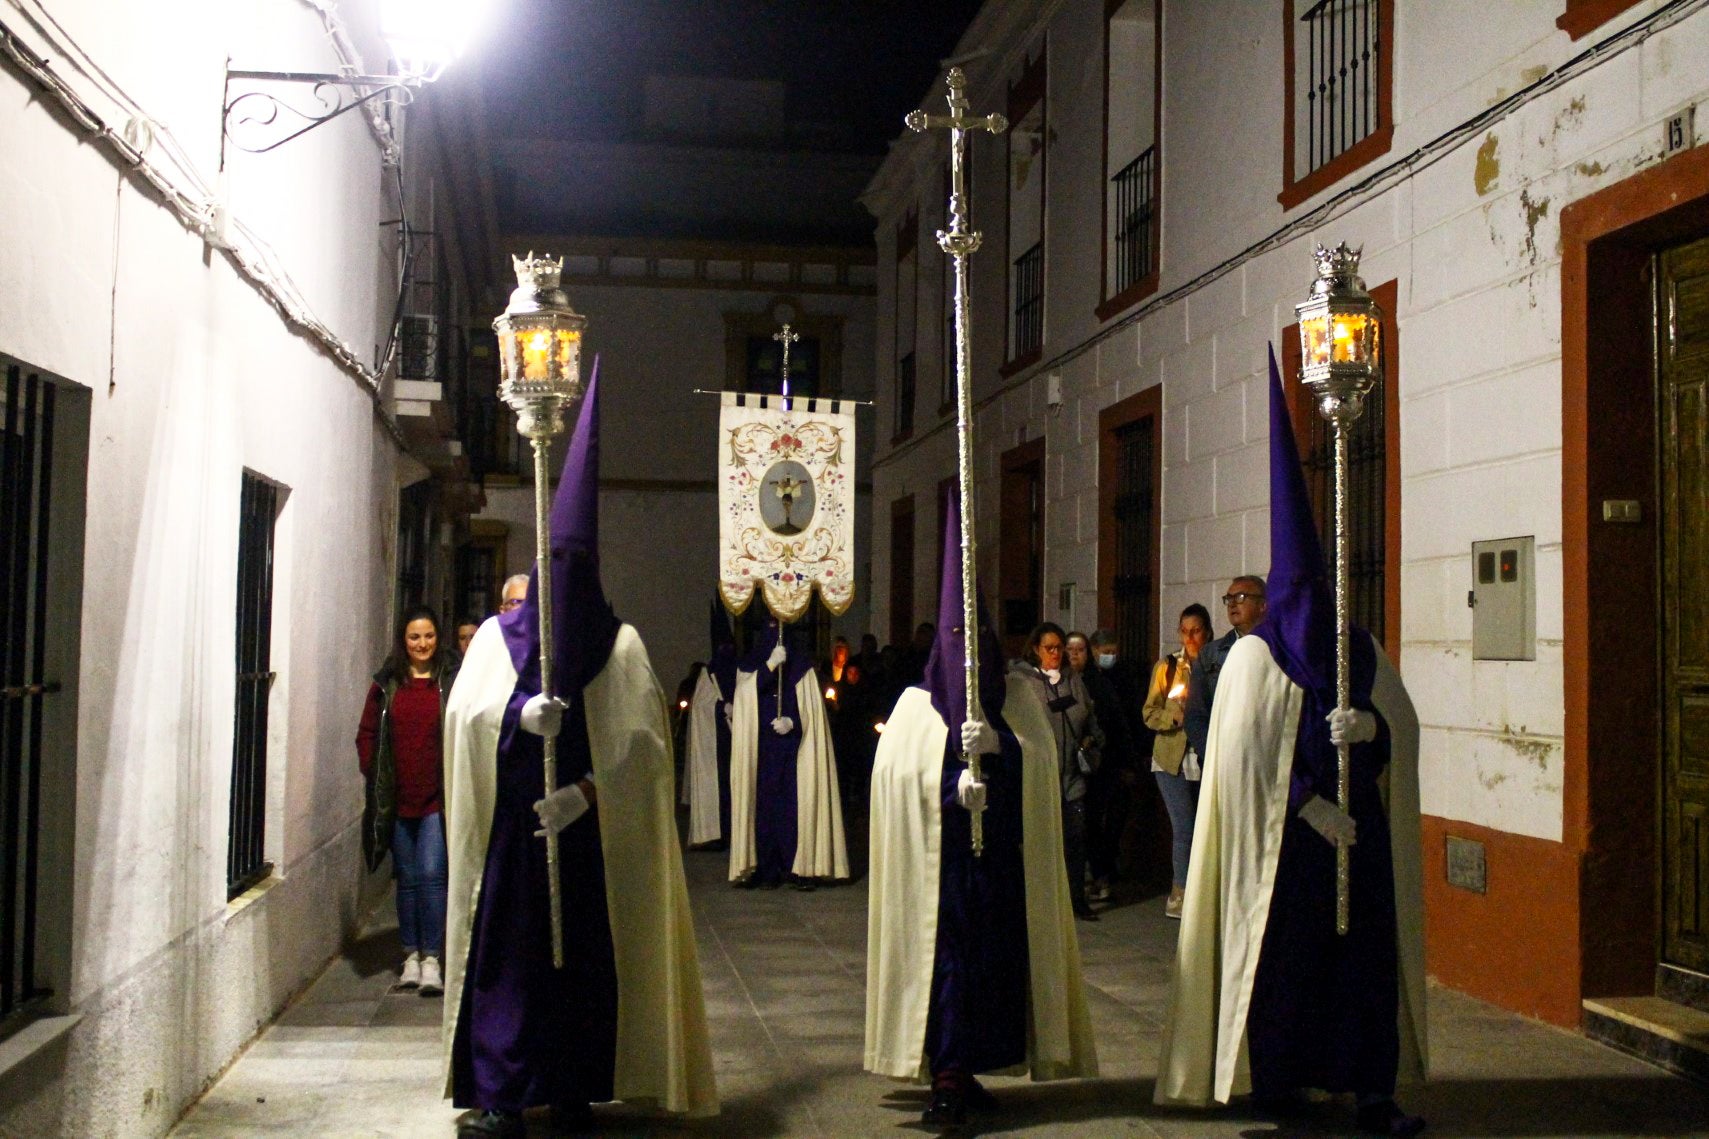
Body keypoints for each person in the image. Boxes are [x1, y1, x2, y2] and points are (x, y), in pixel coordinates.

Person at [1155, 349, 1426, 1137]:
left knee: (1364, 967)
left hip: (1359, 844)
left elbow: (1401, 731)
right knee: (1285, 968)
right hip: (1286, 854)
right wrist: (1308, 808)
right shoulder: (1251, 656)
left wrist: (1370, 728)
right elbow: (1238, 765)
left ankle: (1370, 1087)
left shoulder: (1361, 649)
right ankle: (1281, 1077)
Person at [441, 368, 717, 1136]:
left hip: (587, 845)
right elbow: (463, 718)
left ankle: (572, 1086)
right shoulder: (498, 640)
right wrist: (516, 712)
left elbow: (646, 749)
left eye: (575, 569)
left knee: (582, 970)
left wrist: (588, 790)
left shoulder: (619, 645)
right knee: (509, 967)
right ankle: (500, 1092)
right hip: (511, 841)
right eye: (552, 568)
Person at [865, 492, 1097, 1126]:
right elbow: (897, 784)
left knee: (994, 971)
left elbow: (1040, 770)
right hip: (939, 880)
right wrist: (949, 788)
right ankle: (945, 1069)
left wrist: (1001, 749)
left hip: (998, 869)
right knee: (947, 968)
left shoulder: (1018, 699)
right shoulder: (916, 709)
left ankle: (971, 1067)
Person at [357, 605, 458, 995]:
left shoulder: (450, 681)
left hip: (437, 797)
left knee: (432, 876)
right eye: (414, 637)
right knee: (408, 879)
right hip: (397, 800)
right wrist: (375, 773)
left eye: (429, 635)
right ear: (404, 640)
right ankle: (410, 957)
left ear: (438, 637)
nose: (422, 643)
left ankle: (432, 959)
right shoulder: (387, 684)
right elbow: (367, 732)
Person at [728, 615, 849, 889]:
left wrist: (793, 721)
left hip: (794, 750)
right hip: (761, 750)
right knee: (764, 809)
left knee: (793, 808)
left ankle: (798, 867)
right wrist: (770, 666)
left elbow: (811, 712)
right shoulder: (751, 665)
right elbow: (745, 698)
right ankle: (766, 868)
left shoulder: (802, 668)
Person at [1009, 623, 1103, 920]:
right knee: (1039, 844)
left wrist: (1090, 739)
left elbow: (1089, 717)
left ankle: (1075, 900)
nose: (1055, 654)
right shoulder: (1022, 682)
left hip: (1071, 776)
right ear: (1036, 649)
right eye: (1049, 648)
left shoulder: (1073, 680)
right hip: (1039, 776)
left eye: (1059, 648)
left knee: (1075, 840)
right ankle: (1038, 904)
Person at [1142, 604, 1213, 918]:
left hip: (1204, 754)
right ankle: (1180, 891)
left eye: (1195, 631)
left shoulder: (1214, 664)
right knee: (1184, 825)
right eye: (1184, 632)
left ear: (1207, 631)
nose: (1190, 638)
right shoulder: (1168, 667)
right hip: (1171, 757)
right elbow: (1149, 712)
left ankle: (1204, 892)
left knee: (1204, 825)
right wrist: (1174, 717)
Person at [1084, 628, 1146, 904]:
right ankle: (1101, 872)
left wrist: (1134, 759)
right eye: (1105, 652)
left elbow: (1130, 719)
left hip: (1119, 760)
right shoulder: (1087, 679)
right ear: (1094, 651)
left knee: (1117, 818)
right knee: (1095, 820)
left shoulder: (1124, 677)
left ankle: (1107, 869)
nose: (1110, 656)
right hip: (1098, 761)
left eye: (1113, 652)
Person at [1184, 574, 1267, 767]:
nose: (1232, 605)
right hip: (1223, 759)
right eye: (1228, 599)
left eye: (1240, 598)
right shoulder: (1211, 654)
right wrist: (1214, 756)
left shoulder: (1278, 649)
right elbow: (1195, 714)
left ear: (1262, 605)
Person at [684, 599, 737, 849]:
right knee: (719, 789)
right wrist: (721, 708)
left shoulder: (739, 669)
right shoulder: (708, 674)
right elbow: (700, 706)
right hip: (716, 743)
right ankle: (716, 834)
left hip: (735, 739)